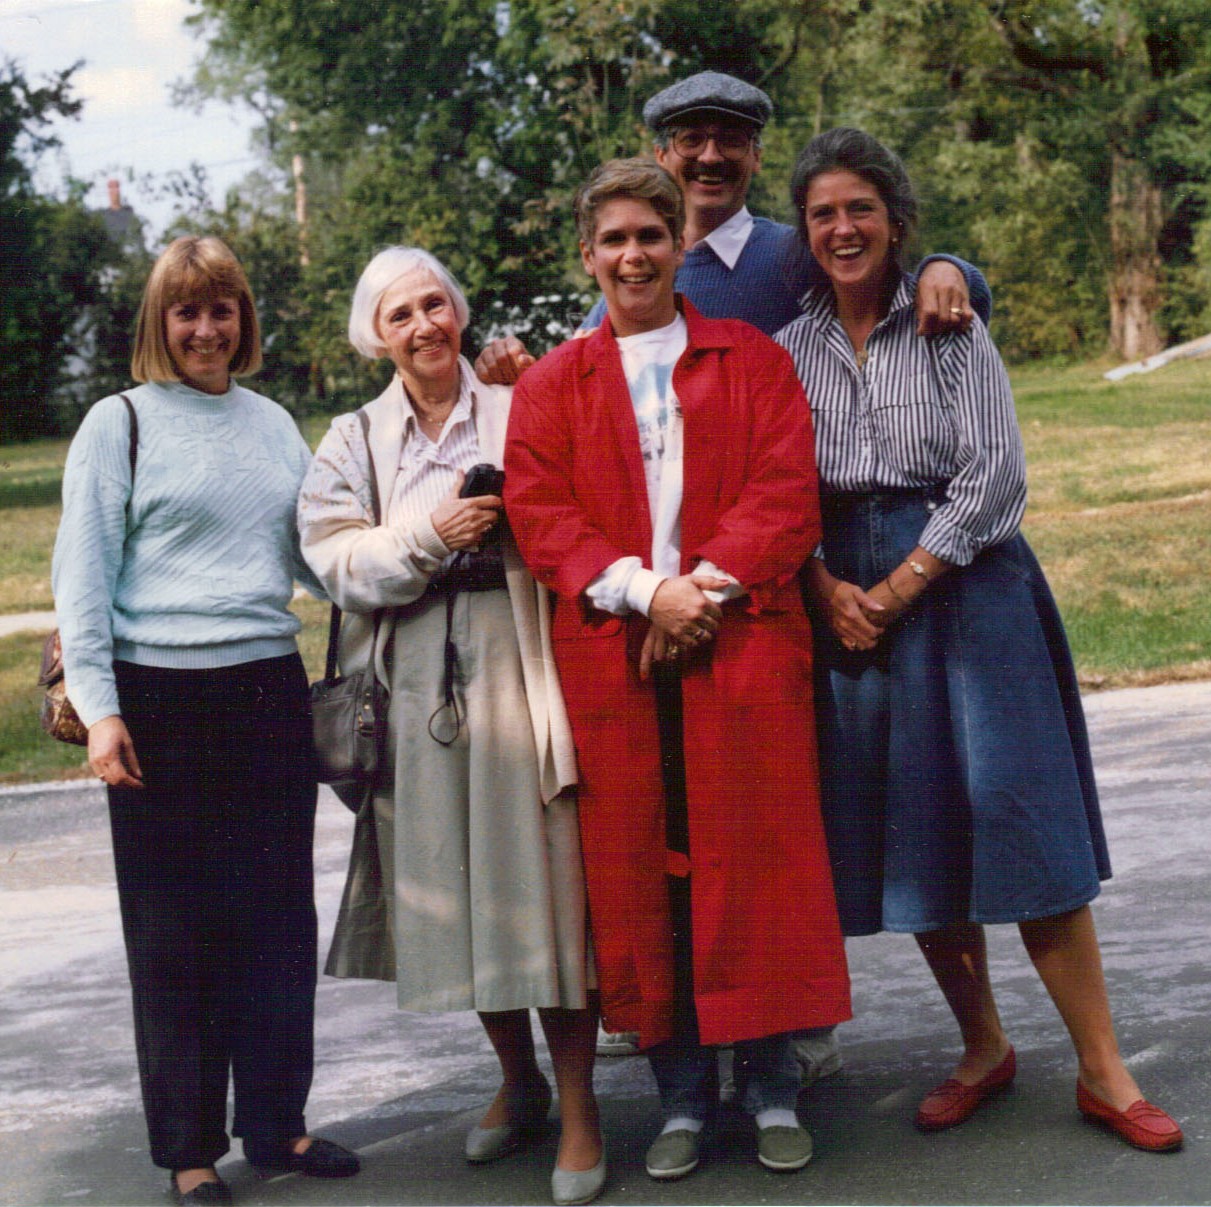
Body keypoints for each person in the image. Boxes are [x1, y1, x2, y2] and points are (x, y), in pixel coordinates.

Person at [479, 70, 991, 1074]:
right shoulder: (577, 353)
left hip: (777, 595)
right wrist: (648, 590)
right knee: (650, 842)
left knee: (773, 835)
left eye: (728, 139)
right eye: (687, 140)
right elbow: (554, 496)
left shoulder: (784, 263)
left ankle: (781, 1043)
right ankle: (677, 1049)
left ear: (748, 157)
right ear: (591, 248)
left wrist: (951, 266)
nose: (707, 156)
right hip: (647, 614)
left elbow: (875, 258)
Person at [774, 126, 1183, 1153]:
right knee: (916, 838)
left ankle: (1101, 1067)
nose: (840, 227)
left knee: (1019, 816)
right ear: (804, 231)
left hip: (964, 586)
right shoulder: (785, 350)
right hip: (847, 605)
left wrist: (901, 581)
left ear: (895, 220)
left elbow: (995, 474)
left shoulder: (947, 321)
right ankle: (981, 1045)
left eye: (857, 207)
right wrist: (823, 588)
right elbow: (775, 489)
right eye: (821, 212)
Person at [504, 158, 851, 1182]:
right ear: (587, 254)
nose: (631, 255)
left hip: (738, 644)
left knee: (756, 860)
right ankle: (682, 1097)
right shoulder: (551, 384)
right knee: (640, 872)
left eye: (648, 236)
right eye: (611, 239)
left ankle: (774, 1083)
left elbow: (784, 490)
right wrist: (640, 591)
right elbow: (539, 513)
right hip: (616, 653)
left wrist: (696, 591)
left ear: (676, 245)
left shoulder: (744, 357)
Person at [51, 236, 360, 1206]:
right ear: (159, 322)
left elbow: (318, 559)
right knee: (175, 934)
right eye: (186, 311)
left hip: (267, 693)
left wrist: (408, 553)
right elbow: (82, 579)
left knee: (274, 922)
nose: (205, 328)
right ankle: (188, 1147)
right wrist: (101, 713)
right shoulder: (120, 424)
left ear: (243, 319)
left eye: (221, 308)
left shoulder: (273, 425)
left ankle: (276, 1124)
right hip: (159, 703)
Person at [296, 247, 604, 1206]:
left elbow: (585, 504)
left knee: (542, 879)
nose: (425, 326)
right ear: (375, 337)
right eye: (401, 315)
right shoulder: (354, 435)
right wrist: (435, 533)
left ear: (460, 313)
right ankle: (518, 1082)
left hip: (520, 653)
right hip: (413, 668)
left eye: (436, 304)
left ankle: (584, 1110)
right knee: (455, 881)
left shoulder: (523, 400)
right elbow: (331, 558)